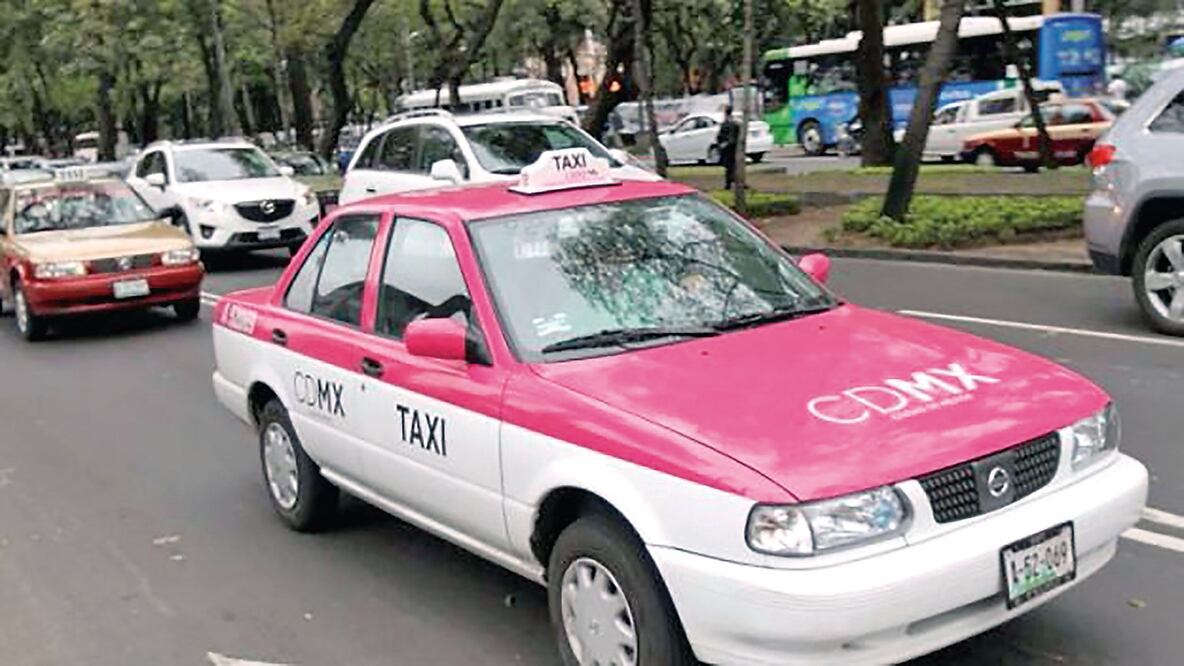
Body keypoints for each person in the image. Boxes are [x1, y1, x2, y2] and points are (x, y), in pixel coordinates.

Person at [715, 106, 740, 189]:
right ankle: (732, 181)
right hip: (732, 146)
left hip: (729, 147)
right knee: (732, 165)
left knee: (729, 166)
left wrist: (722, 144)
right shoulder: (734, 123)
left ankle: (730, 182)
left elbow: (720, 136)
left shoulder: (727, 123)